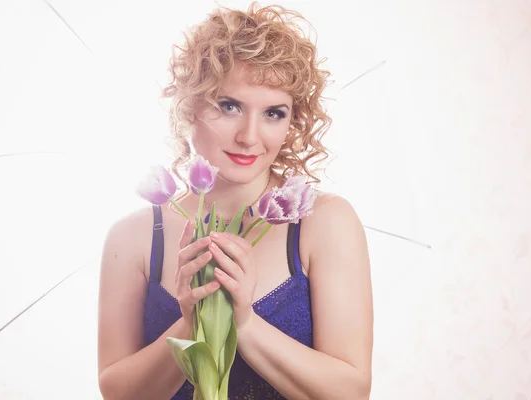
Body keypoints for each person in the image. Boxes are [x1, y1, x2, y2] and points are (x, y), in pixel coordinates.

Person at [96, 3, 373, 399]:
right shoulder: (134, 236)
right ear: (190, 106)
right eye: (229, 106)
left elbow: (351, 392)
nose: (249, 136)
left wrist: (243, 322)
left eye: (274, 113)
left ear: (293, 121)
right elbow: (118, 393)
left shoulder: (323, 222)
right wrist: (190, 322)